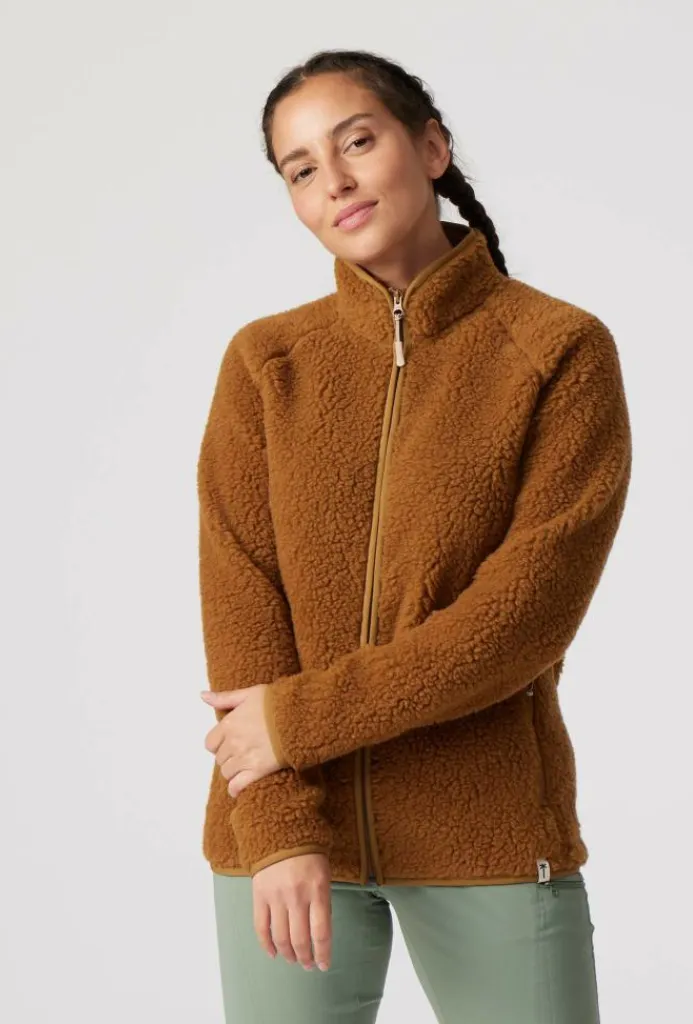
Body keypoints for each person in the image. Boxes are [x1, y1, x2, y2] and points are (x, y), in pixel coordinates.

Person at [196, 48, 632, 1024]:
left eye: (357, 142)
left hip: (481, 828)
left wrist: (295, 722)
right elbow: (242, 608)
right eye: (301, 167)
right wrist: (277, 830)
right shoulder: (267, 364)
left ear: (431, 148)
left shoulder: (557, 352)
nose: (334, 180)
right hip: (287, 831)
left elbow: (517, 625)